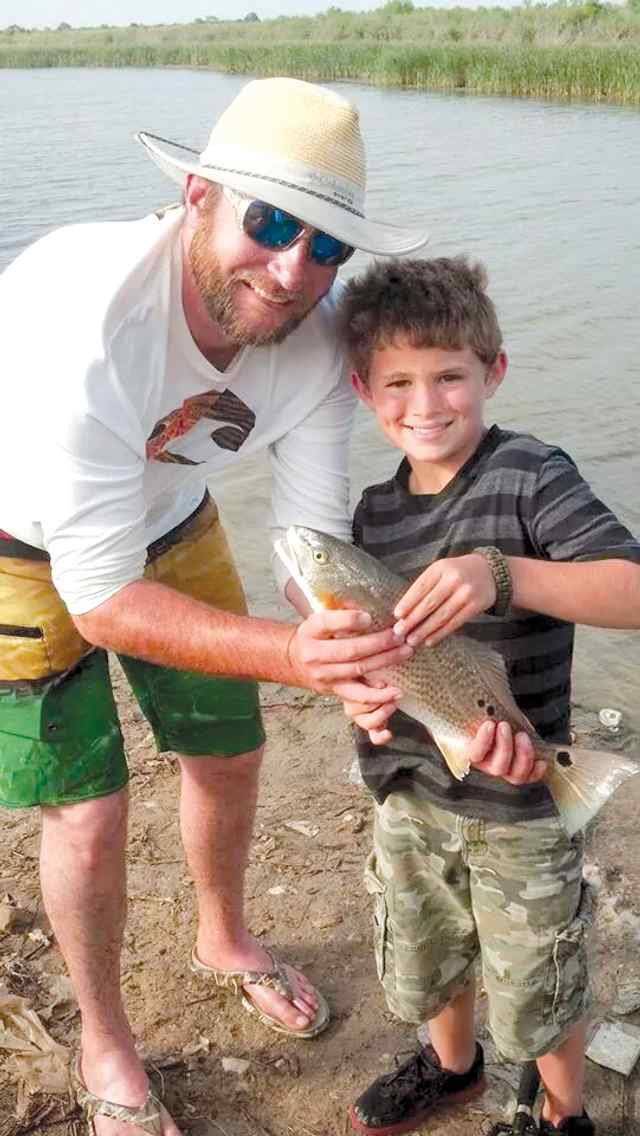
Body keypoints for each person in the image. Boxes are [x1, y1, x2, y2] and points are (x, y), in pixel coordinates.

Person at [0, 78, 426, 1136]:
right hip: (15, 541)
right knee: (88, 811)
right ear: (198, 195)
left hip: (170, 515)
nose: (291, 272)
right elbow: (103, 599)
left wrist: (358, 645)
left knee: (229, 751)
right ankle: (106, 1039)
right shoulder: (91, 323)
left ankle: (223, 935)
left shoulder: (318, 337)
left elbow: (310, 540)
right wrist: (296, 658)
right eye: (269, 223)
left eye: (326, 246)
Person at [337, 256, 640, 1136]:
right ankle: (453, 1067)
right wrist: (360, 696)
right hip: (408, 788)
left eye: (449, 377)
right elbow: (368, 651)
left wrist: (502, 574)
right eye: (398, 383)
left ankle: (563, 1114)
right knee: (429, 951)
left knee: (539, 977)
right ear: (363, 390)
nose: (425, 404)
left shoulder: (530, 474)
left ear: (493, 371)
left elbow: (629, 589)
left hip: (521, 799)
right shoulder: (371, 515)